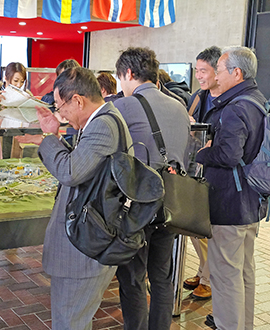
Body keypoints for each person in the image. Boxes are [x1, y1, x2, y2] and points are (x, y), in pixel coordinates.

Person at [34, 67, 129, 330]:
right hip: (85, 243)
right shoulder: (101, 120)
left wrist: (47, 138)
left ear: (78, 100)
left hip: (83, 250)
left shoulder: (102, 126)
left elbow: (70, 171)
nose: (60, 113)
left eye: (60, 106)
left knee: (69, 322)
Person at [113, 48, 191, 330]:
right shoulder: (179, 107)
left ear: (129, 74)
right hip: (172, 200)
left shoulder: (123, 107)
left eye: (121, 78)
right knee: (161, 276)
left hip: (138, 203)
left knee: (133, 275)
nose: (121, 85)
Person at [196, 46, 268, 330]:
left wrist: (202, 152)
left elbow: (228, 155)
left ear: (236, 73)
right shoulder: (258, 100)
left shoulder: (235, 107)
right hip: (253, 201)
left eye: (220, 70)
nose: (216, 76)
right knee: (244, 273)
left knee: (225, 276)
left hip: (229, 203)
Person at [183, 45, 223, 300]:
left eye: (203, 70)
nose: (198, 75)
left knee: (209, 229)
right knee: (196, 227)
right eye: (196, 70)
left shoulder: (230, 99)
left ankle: (209, 278)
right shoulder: (201, 95)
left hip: (218, 173)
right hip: (198, 168)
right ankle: (203, 269)